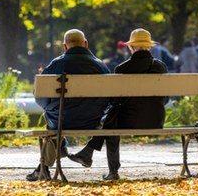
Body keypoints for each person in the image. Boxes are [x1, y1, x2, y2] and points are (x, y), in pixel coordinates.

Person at [68, 28, 168, 180]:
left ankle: (109, 168)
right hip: (156, 120)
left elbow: (115, 100)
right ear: (150, 47)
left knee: (112, 118)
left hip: (128, 122)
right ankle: (88, 152)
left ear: (131, 47)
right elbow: (165, 98)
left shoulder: (122, 69)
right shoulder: (160, 67)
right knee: (113, 117)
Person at [26, 29, 110, 181]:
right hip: (92, 121)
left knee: (52, 118)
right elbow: (109, 99)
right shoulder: (100, 66)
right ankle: (57, 152)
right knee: (54, 117)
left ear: (65, 47)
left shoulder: (57, 64)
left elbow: (41, 99)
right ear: (85, 44)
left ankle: (44, 167)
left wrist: (50, 108)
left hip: (62, 121)